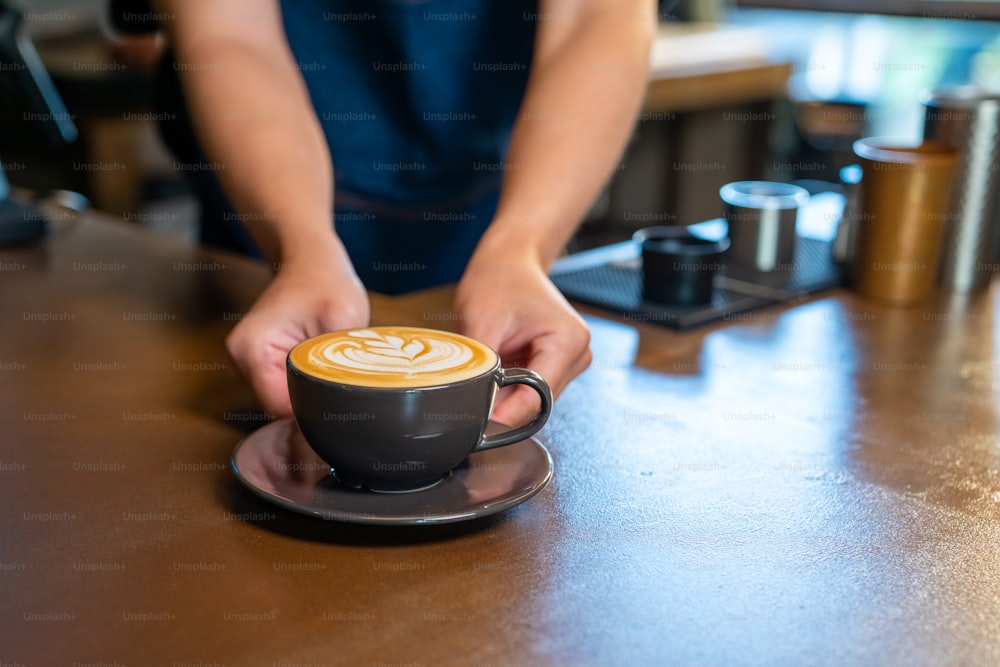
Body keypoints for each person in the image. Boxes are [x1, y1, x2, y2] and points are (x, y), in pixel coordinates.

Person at [151, 0, 655, 426]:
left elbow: (594, 17)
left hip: (490, 202)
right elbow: (232, 33)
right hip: (259, 239)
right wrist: (301, 250)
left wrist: (522, 248)